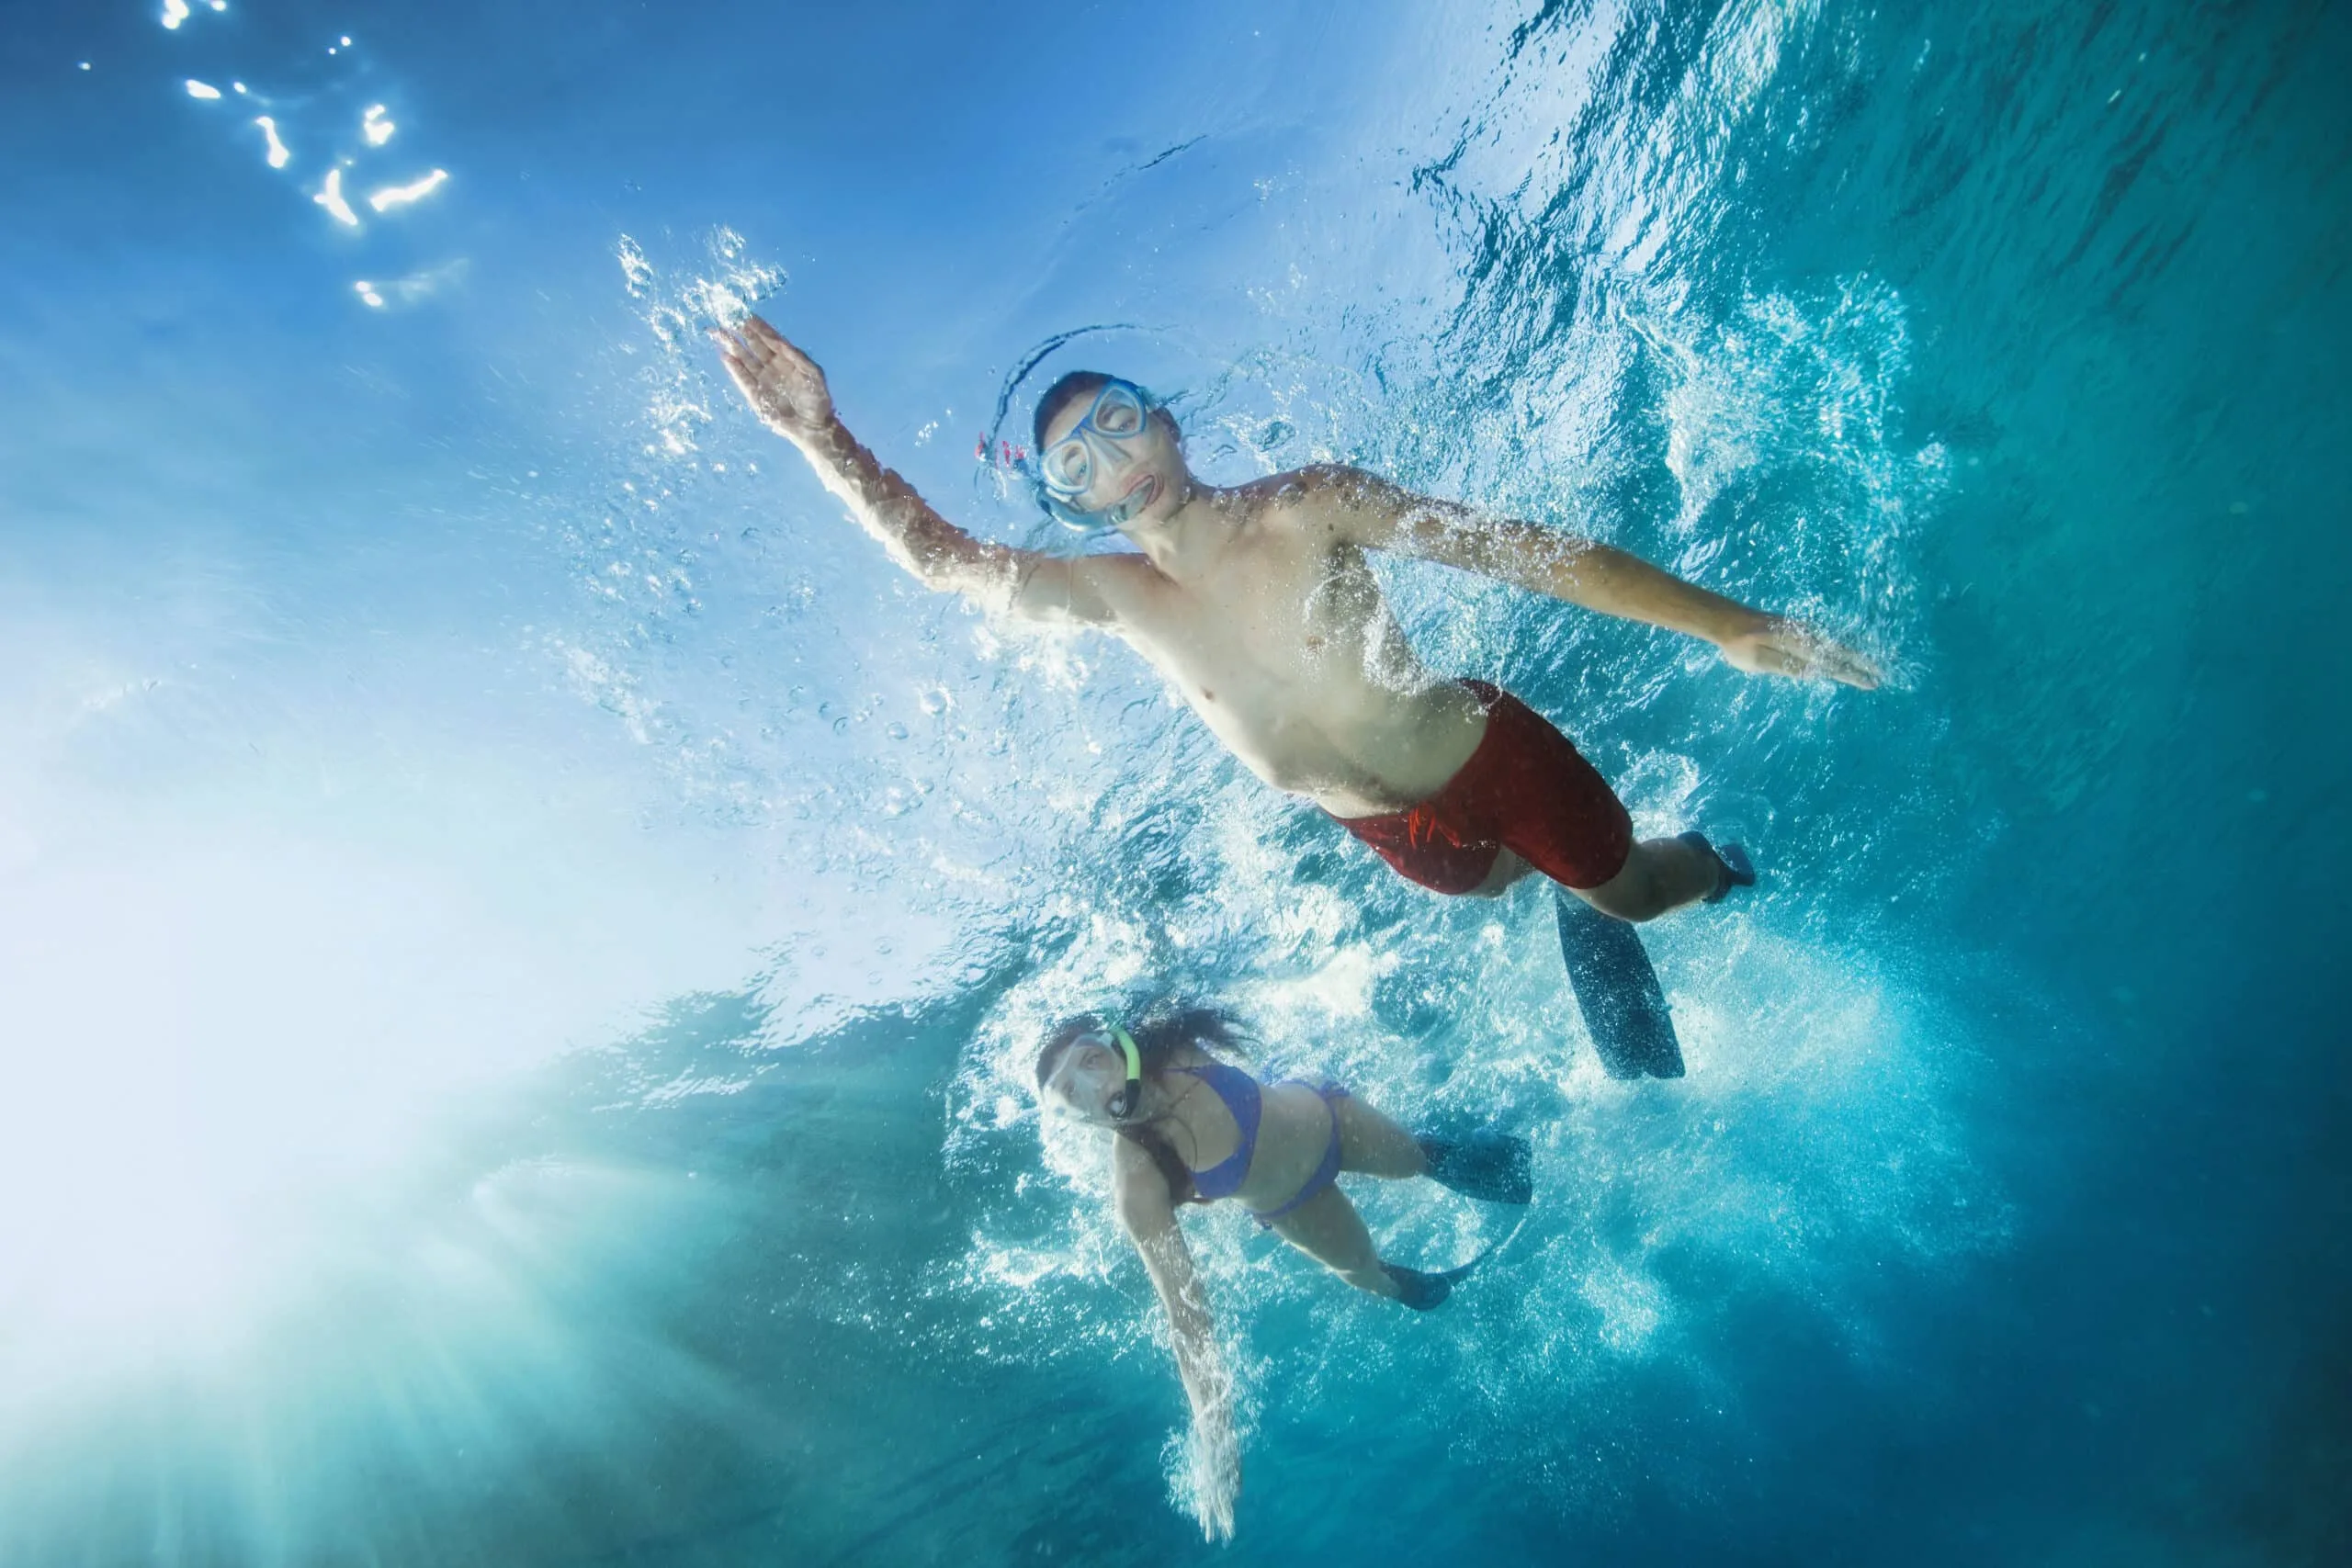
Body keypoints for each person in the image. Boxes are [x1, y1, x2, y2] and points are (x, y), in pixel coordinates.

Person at [710, 316, 1879, 920]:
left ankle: (1710, 871)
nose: (1113, 460)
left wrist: (1723, 622)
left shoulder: (1308, 506)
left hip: (1486, 755)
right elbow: (944, 564)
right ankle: (1564, 888)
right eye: (1077, 462)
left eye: (1121, 423)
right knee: (1492, 893)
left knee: (1623, 892)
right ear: (1067, 504)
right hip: (1393, 837)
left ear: (1167, 424)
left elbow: (1527, 557)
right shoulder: (1119, 598)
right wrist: (823, 438)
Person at [1030, 1001, 1532, 1541]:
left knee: (1413, 1160)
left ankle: (1509, 1162)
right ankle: (1454, 1291)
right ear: (1074, 1119)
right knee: (1367, 1276)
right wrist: (1213, 1434)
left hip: (1330, 1117)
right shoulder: (1138, 1180)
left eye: (1089, 1062)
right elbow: (1186, 1317)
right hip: (1294, 1204)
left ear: (1112, 1045)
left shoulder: (1171, 1047)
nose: (1090, 1087)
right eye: (1070, 1096)